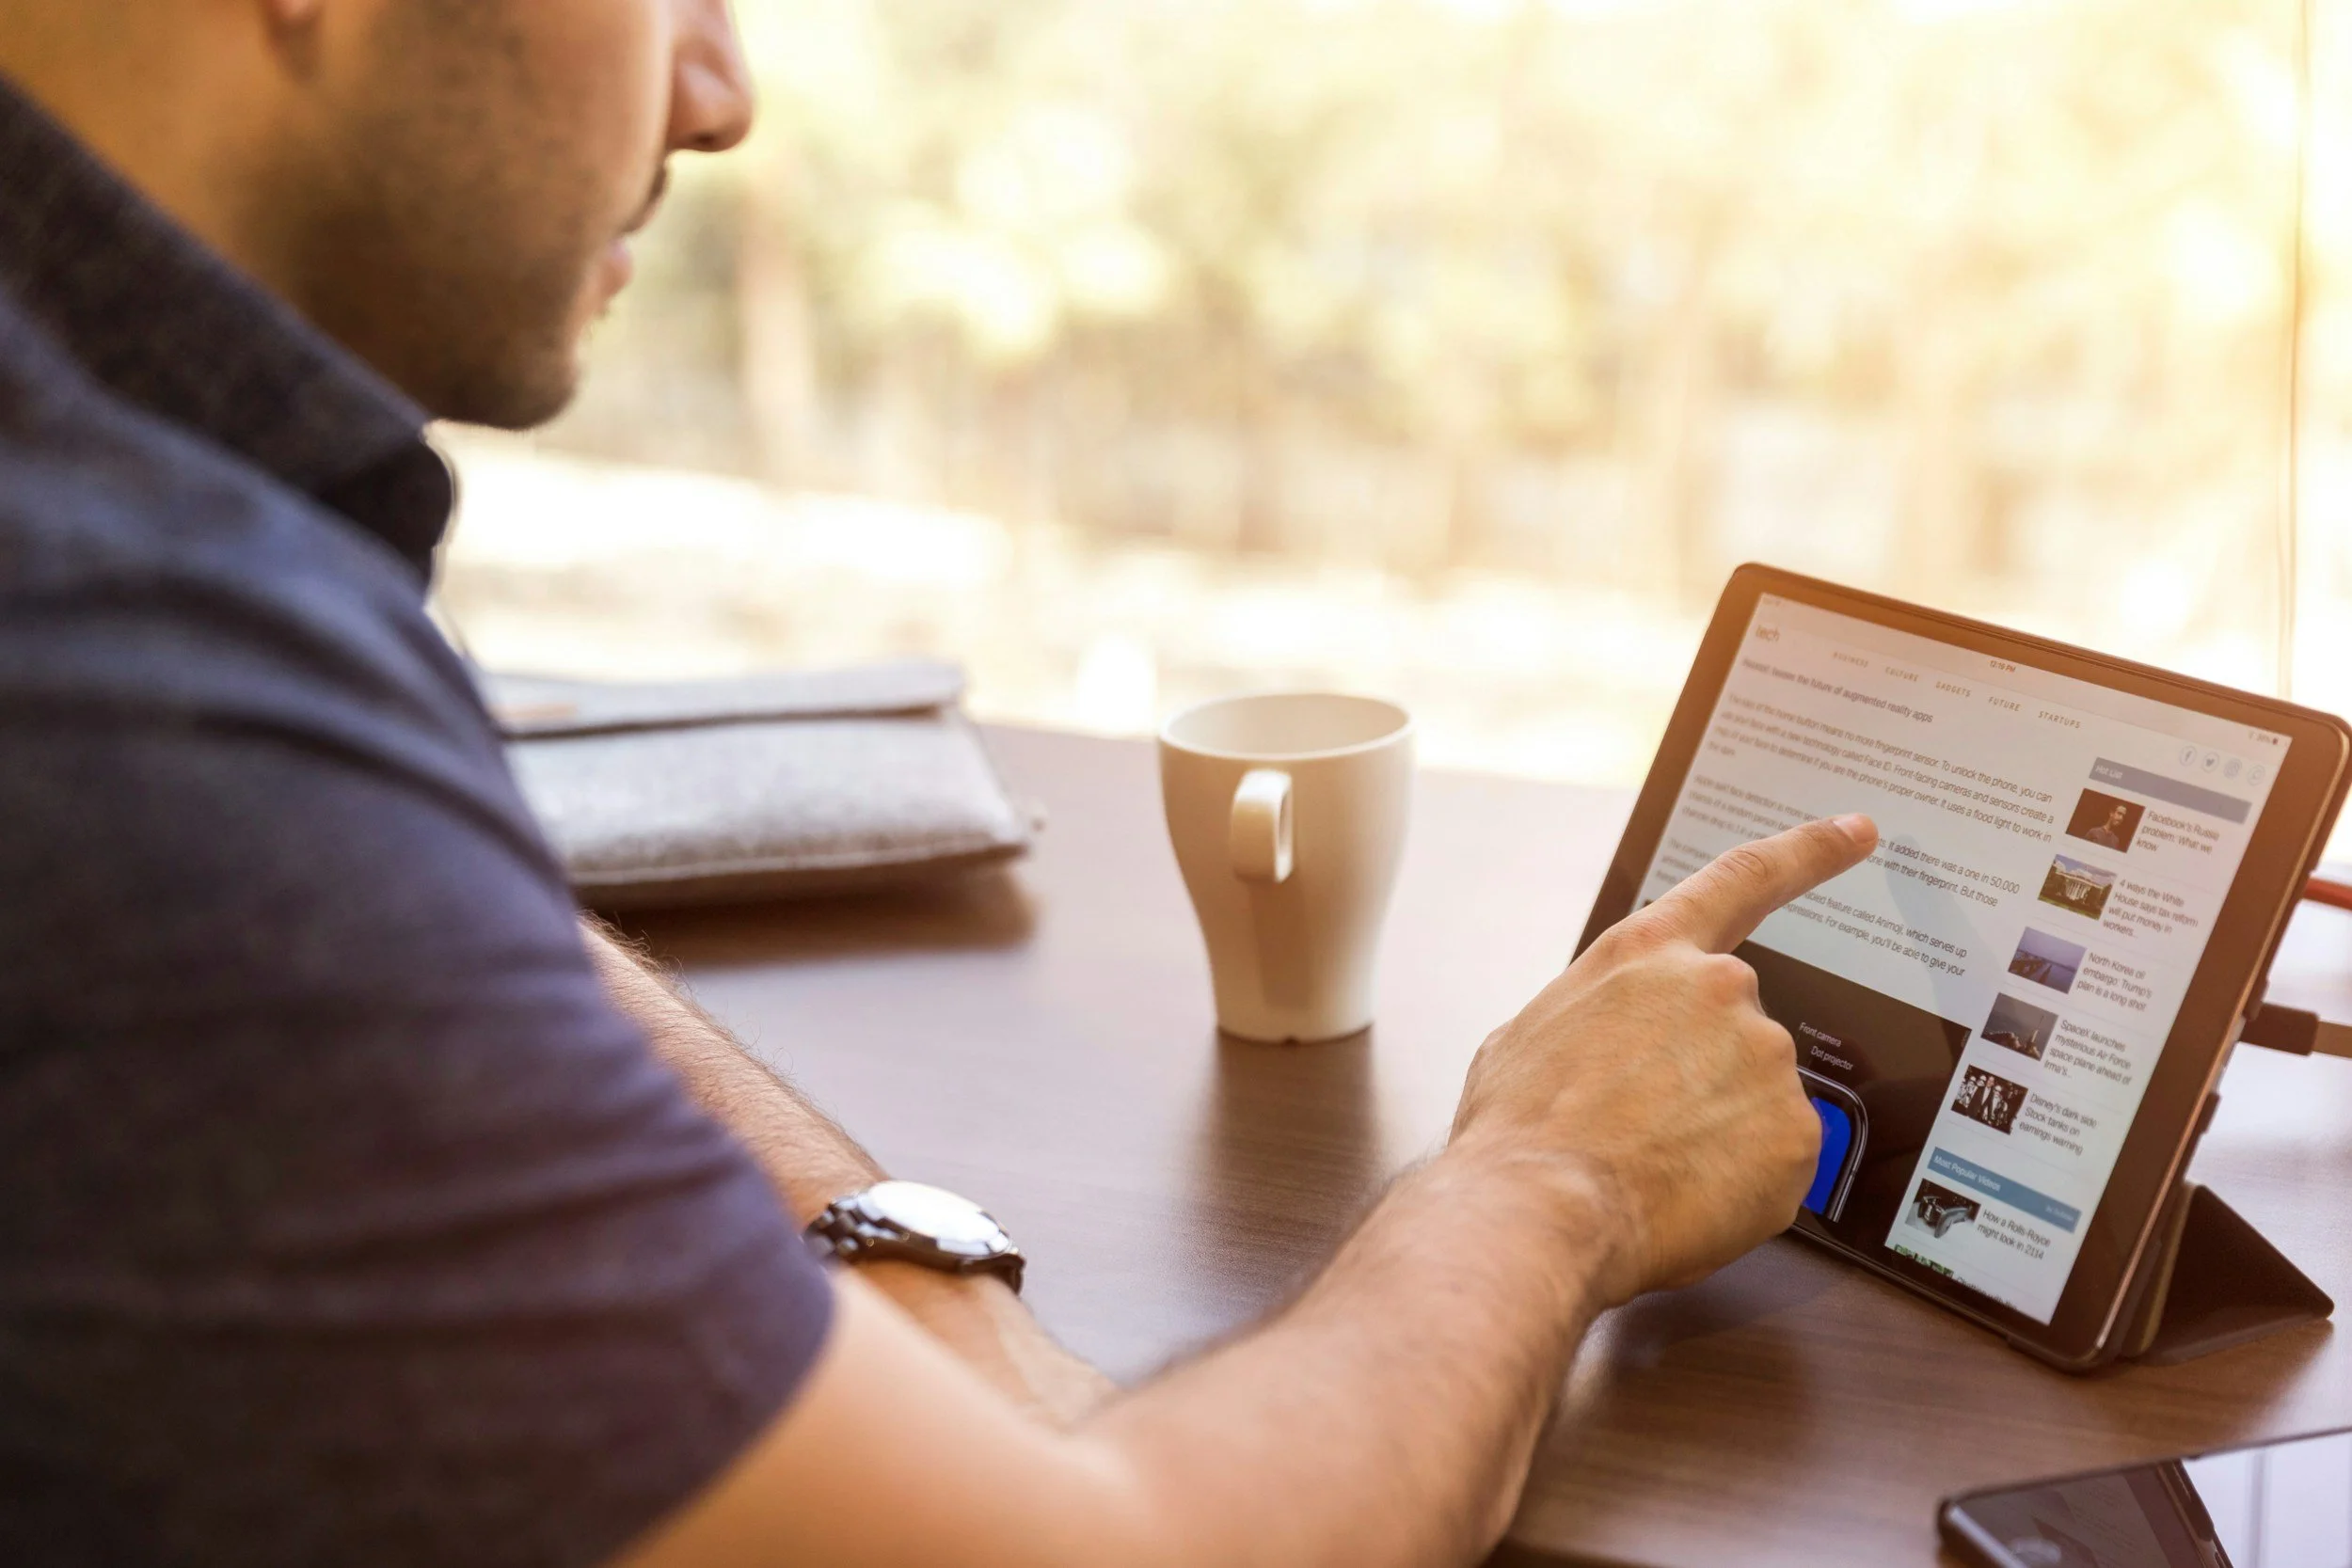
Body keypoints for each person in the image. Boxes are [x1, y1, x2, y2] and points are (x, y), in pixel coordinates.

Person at [0, 4, 1877, 1564]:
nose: (718, 93)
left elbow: (395, 916)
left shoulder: (145, 563)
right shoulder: (115, 675)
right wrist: (1547, 1176)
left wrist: (909, 1277)